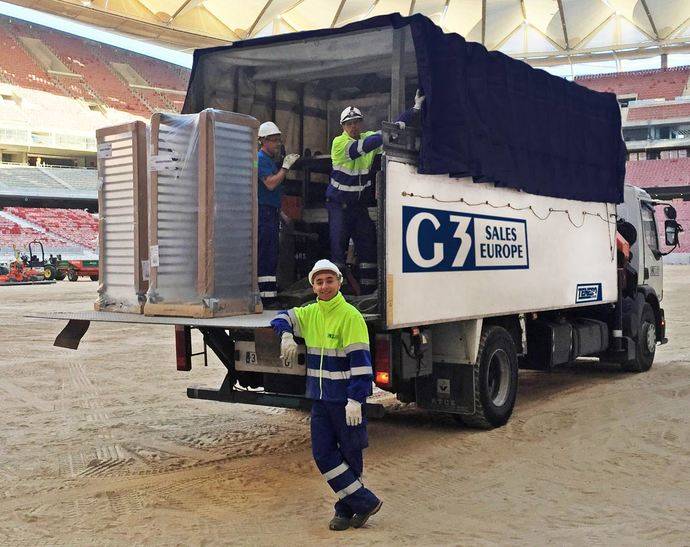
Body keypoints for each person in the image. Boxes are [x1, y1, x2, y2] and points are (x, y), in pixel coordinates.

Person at [270, 259, 381, 531]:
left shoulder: (351, 316)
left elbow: (362, 364)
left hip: (346, 402)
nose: (324, 286)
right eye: (319, 282)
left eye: (329, 280)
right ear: (312, 286)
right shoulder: (310, 313)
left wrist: (356, 399)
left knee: (351, 456)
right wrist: (285, 336)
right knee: (323, 455)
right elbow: (281, 317)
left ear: (339, 282)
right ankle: (365, 501)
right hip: (320, 400)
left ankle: (344, 511)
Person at [327, 90, 425, 293]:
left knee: (368, 243)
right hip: (339, 205)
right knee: (338, 247)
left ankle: (367, 291)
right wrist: (388, 131)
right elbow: (365, 146)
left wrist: (414, 110)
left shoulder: (368, 137)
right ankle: (338, 294)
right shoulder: (339, 143)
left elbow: (390, 130)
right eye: (349, 123)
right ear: (343, 126)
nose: (353, 126)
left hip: (357, 205)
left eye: (356, 122)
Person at [257, 121, 300, 307]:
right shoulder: (260, 159)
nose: (277, 144)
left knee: (272, 252)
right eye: (274, 141)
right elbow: (270, 184)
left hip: (271, 211)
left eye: (278, 141)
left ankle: (269, 295)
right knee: (266, 252)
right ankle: (266, 298)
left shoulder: (267, 160)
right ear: (263, 141)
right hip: (263, 213)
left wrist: (281, 213)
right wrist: (285, 168)